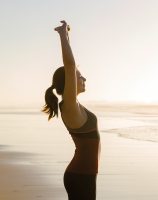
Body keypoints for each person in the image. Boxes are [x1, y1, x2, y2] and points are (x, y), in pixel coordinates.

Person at [42, 20, 100, 200]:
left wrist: (67, 34)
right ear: (69, 83)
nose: (84, 78)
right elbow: (69, 65)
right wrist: (62, 36)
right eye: (79, 76)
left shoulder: (73, 106)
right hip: (81, 177)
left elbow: (70, 68)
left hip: (85, 176)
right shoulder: (69, 106)